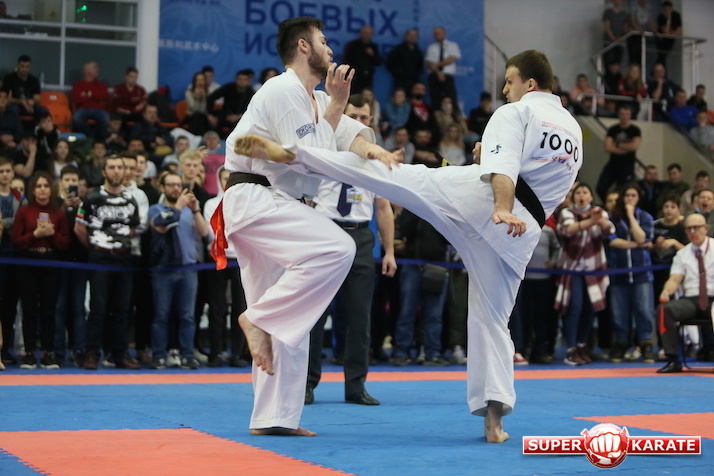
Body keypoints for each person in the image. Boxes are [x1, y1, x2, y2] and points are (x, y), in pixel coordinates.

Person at [235, 48, 583, 443]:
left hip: (489, 204)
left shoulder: (516, 112)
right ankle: (494, 419)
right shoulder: (572, 130)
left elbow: (503, 168)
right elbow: (541, 178)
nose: (505, 90)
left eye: (510, 81)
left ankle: (295, 156)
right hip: (520, 234)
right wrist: (495, 179)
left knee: (399, 177)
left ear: (530, 83)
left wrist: (501, 206)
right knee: (493, 321)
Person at [210, 17, 364, 437]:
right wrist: (336, 105)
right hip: (257, 199)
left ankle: (273, 418)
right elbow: (310, 160)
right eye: (323, 40)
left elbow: (326, 155)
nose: (330, 48)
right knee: (337, 249)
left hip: (270, 204)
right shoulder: (284, 89)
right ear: (302, 46)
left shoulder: (312, 99)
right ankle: (258, 319)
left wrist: (339, 112)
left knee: (293, 317)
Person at [305, 94, 397, 406]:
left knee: (360, 318)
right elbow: (304, 197)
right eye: (353, 117)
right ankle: (306, 384)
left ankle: (356, 386)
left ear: (372, 122)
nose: (359, 122)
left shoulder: (375, 161)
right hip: (325, 233)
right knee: (315, 315)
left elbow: (383, 209)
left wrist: (389, 251)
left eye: (364, 118)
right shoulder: (324, 150)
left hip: (361, 238)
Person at [74, 154, 141, 370]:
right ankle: (92, 352)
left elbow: (132, 228)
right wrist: (97, 247)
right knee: (98, 308)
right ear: (104, 171)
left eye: (119, 167)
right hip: (99, 257)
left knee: (122, 308)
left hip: (124, 257)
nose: (116, 171)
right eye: (111, 167)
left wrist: (117, 245)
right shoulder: (91, 198)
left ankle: (120, 353)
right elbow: (79, 229)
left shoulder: (130, 199)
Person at [148, 171, 208, 369]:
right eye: (171, 185)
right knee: (161, 315)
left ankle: (187, 354)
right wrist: (180, 207)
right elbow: (161, 225)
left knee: (187, 316)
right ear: (162, 188)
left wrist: (196, 210)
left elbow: (204, 232)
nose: (175, 188)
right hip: (164, 269)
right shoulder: (155, 209)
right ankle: (159, 354)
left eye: (178, 185)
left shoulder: (189, 211)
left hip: (188, 268)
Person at [12, 171, 70, 369]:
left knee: (48, 309)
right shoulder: (24, 212)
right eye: (39, 186)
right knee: (29, 308)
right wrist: (35, 234)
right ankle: (29, 352)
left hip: (51, 262)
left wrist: (52, 234)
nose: (43, 190)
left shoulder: (58, 213)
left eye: (46, 186)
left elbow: (65, 244)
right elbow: (16, 241)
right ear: (33, 190)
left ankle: (47, 352)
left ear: (51, 189)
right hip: (28, 261)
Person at [554, 183, 613, 365]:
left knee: (590, 309)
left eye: (585, 192)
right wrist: (591, 221)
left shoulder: (599, 212)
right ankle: (571, 349)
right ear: (573, 197)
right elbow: (566, 230)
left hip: (594, 269)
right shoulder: (567, 213)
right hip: (573, 269)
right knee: (575, 307)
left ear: (590, 197)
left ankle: (582, 345)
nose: (581, 195)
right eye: (578, 192)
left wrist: (600, 220)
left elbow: (609, 231)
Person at [657, 212, 714, 372]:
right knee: (664, 309)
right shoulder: (682, 254)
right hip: (691, 301)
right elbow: (675, 279)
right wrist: (666, 291)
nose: (692, 231)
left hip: (712, 299)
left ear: (706, 228)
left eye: (696, 227)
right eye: (689, 228)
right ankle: (673, 359)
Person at [203, 167, 248, 367]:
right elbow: (213, 233)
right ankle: (216, 353)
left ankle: (236, 353)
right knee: (216, 308)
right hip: (218, 260)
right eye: (224, 179)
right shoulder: (211, 204)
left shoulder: (245, 204)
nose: (228, 183)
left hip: (240, 261)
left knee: (240, 309)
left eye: (231, 179)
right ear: (219, 181)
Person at [608, 183, 655, 363]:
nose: (630, 198)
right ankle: (621, 344)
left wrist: (630, 215)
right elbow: (612, 242)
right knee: (619, 313)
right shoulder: (613, 218)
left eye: (633, 195)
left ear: (639, 198)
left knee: (644, 311)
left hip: (642, 273)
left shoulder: (645, 217)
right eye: (627, 195)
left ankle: (646, 344)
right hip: (618, 273)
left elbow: (642, 237)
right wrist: (637, 245)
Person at [54, 165, 88, 367]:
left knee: (78, 308)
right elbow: (52, 226)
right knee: (59, 307)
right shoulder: (55, 204)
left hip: (80, 262)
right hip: (59, 262)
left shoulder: (85, 204)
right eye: (67, 180)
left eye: (74, 180)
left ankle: (79, 351)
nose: (70, 184)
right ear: (61, 182)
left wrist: (78, 207)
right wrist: (63, 206)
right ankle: (59, 352)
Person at [0, 156, 24, 366]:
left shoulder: (19, 197)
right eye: (1, 171)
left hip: (16, 256)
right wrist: (13, 223)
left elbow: (23, 223)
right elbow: (16, 223)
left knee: (9, 305)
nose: (5, 175)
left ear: (13, 173)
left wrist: (5, 224)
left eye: (7, 171)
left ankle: (5, 348)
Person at [596, 104, 642, 201]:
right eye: (622, 114)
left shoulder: (635, 130)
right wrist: (626, 148)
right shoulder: (613, 130)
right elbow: (607, 147)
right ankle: (609, 203)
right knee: (600, 188)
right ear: (618, 115)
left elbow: (634, 147)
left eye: (627, 114)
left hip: (627, 165)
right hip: (613, 164)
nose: (624, 116)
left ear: (630, 115)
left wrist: (617, 144)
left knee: (623, 191)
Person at [425, 26, 461, 112]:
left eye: (439, 33)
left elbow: (451, 59)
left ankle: (455, 118)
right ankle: (436, 118)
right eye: (435, 34)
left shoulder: (453, 45)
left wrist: (437, 64)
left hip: (447, 76)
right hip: (434, 75)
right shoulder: (431, 47)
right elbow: (429, 62)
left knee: (451, 99)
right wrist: (438, 72)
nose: (437, 35)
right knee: (435, 100)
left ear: (444, 33)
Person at [207, 69, 255, 134]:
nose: (242, 82)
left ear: (248, 81)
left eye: (245, 80)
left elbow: (252, 110)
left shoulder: (251, 93)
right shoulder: (229, 88)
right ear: (236, 79)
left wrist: (238, 116)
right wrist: (210, 114)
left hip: (241, 118)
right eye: (240, 79)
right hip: (225, 116)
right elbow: (211, 98)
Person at [1, 54, 48, 119]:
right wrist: (21, 102)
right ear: (17, 65)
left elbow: (37, 99)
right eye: (22, 66)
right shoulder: (9, 79)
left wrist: (33, 101)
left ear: (30, 67)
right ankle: (16, 125)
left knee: (43, 110)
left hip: (29, 106)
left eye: (27, 66)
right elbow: (4, 98)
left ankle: (38, 126)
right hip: (15, 105)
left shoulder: (34, 80)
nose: (25, 69)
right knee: (13, 109)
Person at [71, 61, 110, 139]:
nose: (97, 69)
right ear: (87, 71)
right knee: (76, 118)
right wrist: (95, 97)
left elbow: (104, 97)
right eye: (94, 68)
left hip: (99, 109)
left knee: (106, 118)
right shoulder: (77, 85)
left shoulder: (101, 85)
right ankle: (91, 137)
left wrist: (90, 94)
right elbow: (77, 99)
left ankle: (100, 139)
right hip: (83, 109)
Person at [341, 25, 382, 94]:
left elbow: (379, 62)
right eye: (366, 33)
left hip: (367, 78)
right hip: (354, 78)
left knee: (366, 96)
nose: (368, 35)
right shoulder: (352, 45)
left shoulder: (373, 46)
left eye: (370, 33)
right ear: (361, 33)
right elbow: (345, 61)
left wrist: (372, 55)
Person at [386, 28, 424, 93]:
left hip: (414, 81)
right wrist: (398, 73)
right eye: (410, 35)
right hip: (400, 81)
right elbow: (389, 63)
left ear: (417, 38)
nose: (412, 37)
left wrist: (416, 75)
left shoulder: (418, 52)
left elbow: (421, 66)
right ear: (406, 36)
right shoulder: (398, 49)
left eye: (414, 35)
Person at [655, 1, 682, 68]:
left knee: (663, 56)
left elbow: (679, 32)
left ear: (672, 9)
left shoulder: (676, 16)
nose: (667, 11)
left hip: (670, 40)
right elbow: (666, 32)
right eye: (665, 9)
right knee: (662, 56)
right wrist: (668, 20)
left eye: (668, 9)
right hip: (661, 40)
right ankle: (660, 69)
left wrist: (671, 33)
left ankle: (659, 69)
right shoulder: (660, 17)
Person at [602, 0, 628, 66]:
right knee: (608, 62)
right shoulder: (608, 12)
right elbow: (607, 27)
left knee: (617, 62)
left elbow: (624, 28)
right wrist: (613, 38)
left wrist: (622, 37)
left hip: (620, 42)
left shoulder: (624, 14)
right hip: (608, 41)